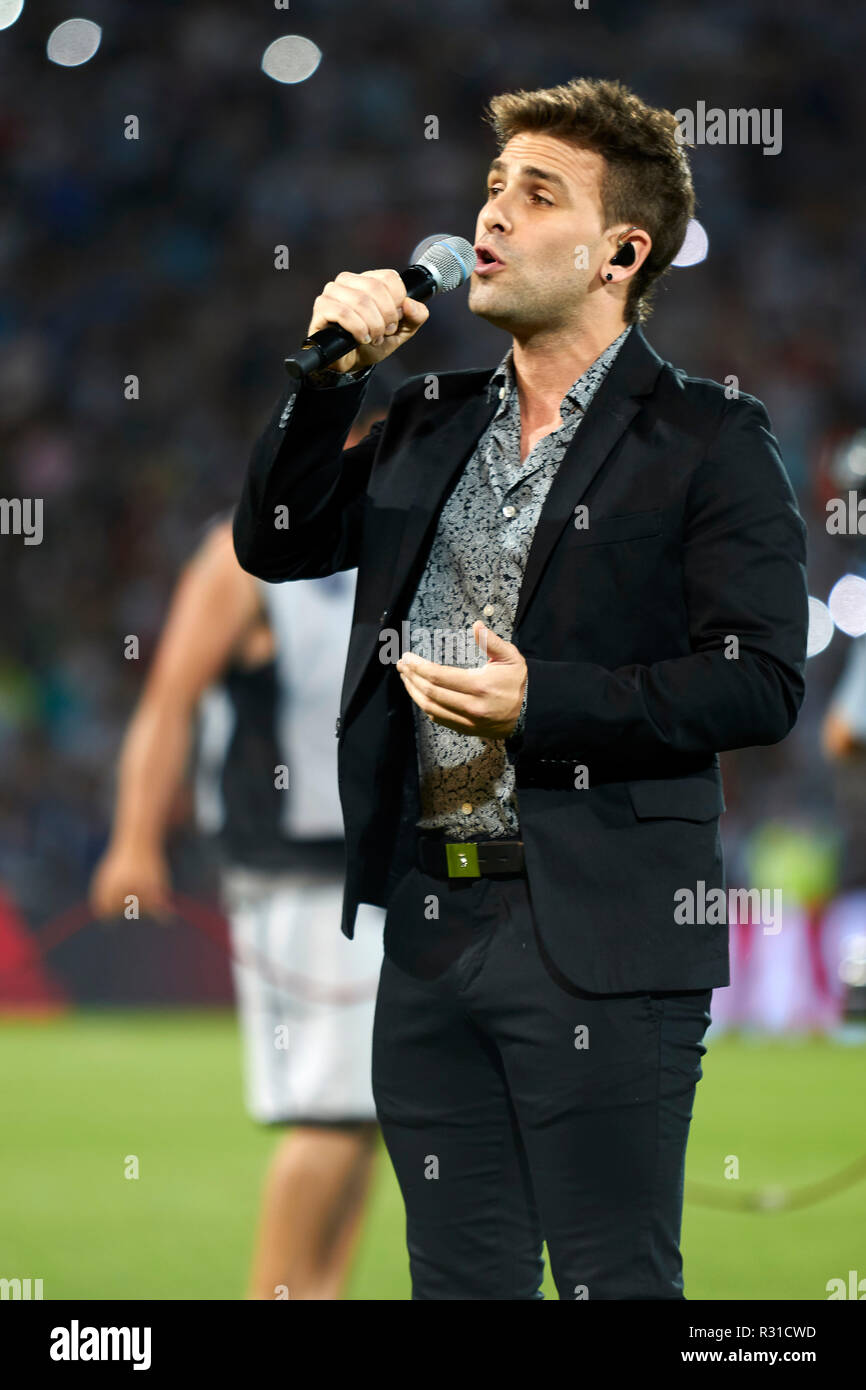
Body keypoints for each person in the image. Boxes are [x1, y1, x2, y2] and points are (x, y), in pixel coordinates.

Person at [233, 77, 809, 1299]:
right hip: (429, 929)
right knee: (456, 1279)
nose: (487, 217)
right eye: (491, 187)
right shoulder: (424, 420)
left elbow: (757, 682)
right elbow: (277, 537)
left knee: (613, 1278)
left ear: (620, 252)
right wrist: (327, 379)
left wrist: (545, 701)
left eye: (535, 194)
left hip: (601, 940)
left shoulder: (708, 438)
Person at [90, 408, 386, 1299]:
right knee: (333, 1110)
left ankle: (318, 1291)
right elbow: (168, 702)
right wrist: (135, 841)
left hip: (375, 868)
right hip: (293, 873)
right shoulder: (240, 557)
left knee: (367, 1108)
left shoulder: (394, 549)